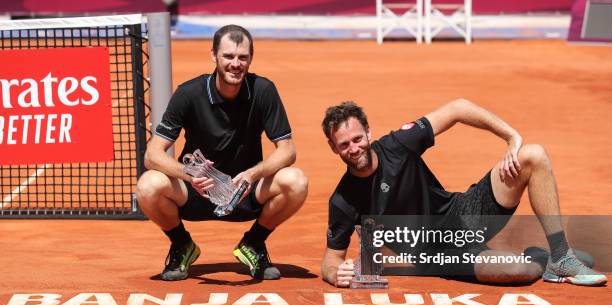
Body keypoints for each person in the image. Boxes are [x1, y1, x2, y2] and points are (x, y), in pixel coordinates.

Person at [321, 99, 607, 287]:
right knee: (522, 272)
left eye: (357, 138)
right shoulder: (343, 200)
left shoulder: (398, 145)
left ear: (368, 133)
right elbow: (330, 260)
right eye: (344, 144)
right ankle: (539, 258)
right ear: (334, 148)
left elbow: (457, 108)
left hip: (464, 214)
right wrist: (336, 275)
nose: (354, 148)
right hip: (440, 254)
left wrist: (511, 137)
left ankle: (560, 256)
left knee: (533, 155)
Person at [137, 25, 308, 281]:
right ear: (213, 56)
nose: (235, 64)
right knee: (148, 185)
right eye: (228, 56)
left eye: (242, 57)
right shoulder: (189, 93)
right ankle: (182, 244)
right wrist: (189, 175)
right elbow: (152, 155)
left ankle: (254, 243)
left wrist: (253, 174)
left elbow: (288, 150)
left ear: (251, 58)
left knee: (296, 181)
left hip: (245, 192)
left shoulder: (263, 90)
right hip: (197, 191)